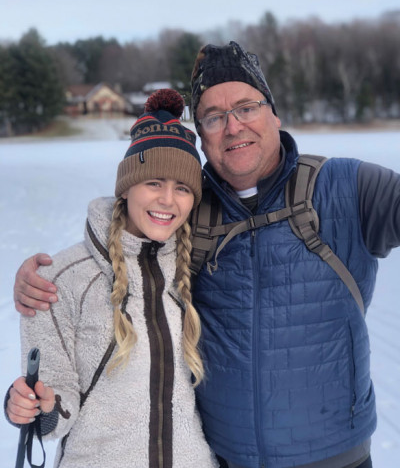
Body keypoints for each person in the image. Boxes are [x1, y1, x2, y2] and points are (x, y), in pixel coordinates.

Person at [12, 41, 400, 468]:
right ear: (203, 135)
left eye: (247, 107)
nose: (233, 126)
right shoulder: (190, 211)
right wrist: (42, 277)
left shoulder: (346, 187)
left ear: (274, 112)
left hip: (337, 459)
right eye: (214, 117)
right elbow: (129, 235)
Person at [6, 89, 218, 468]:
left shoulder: (202, 267)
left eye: (182, 188)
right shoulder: (60, 279)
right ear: (127, 187)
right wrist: (37, 404)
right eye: (154, 182)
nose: (168, 200)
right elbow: (55, 404)